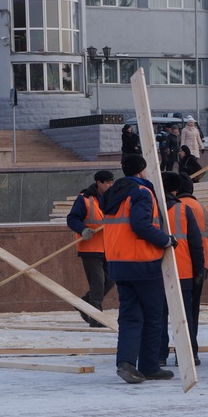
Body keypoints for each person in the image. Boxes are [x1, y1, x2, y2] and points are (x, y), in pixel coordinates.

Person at [101, 153, 178, 384]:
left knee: (130, 316)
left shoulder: (113, 194)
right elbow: (140, 224)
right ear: (142, 170)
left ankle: (125, 363)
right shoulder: (142, 192)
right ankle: (149, 365)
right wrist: (166, 240)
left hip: (118, 263)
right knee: (154, 315)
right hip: (142, 262)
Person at [158, 171, 205, 366]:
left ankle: (158, 355)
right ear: (176, 190)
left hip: (159, 272)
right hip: (183, 272)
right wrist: (199, 270)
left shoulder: (152, 210)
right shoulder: (184, 211)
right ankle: (187, 355)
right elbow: (196, 244)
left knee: (158, 316)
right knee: (185, 317)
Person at [66, 170, 115, 327]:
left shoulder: (112, 199)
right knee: (98, 283)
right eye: (107, 182)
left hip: (107, 247)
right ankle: (96, 318)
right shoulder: (84, 199)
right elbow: (72, 219)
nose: (110, 185)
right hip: (90, 248)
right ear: (98, 183)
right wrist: (83, 230)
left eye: (112, 182)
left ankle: (84, 303)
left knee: (111, 280)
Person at [177, 172, 208, 364]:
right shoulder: (203, 209)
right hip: (201, 265)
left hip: (180, 266)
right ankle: (192, 352)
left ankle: (163, 353)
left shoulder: (176, 207)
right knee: (192, 311)